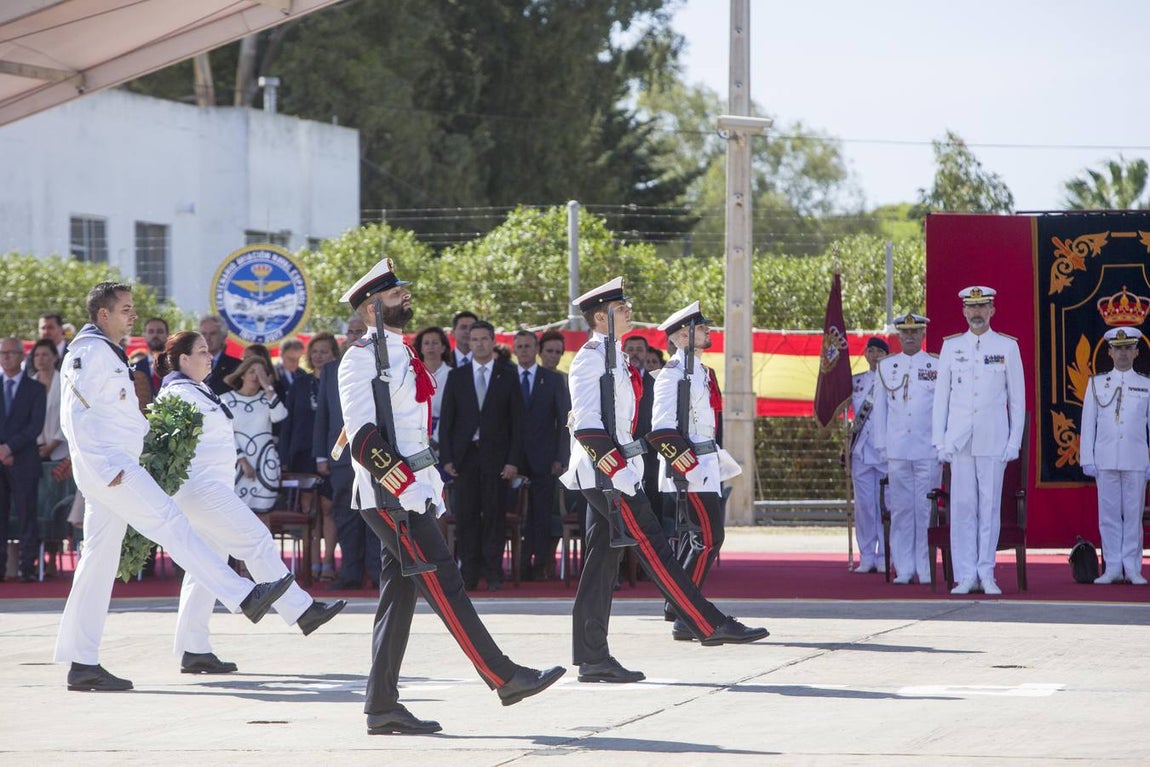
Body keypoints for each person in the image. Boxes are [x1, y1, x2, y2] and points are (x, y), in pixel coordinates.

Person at [337, 258, 564, 734]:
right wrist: (402, 486)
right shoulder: (359, 358)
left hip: (408, 490)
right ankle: (504, 676)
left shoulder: (399, 351)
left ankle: (381, 705)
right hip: (390, 495)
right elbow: (361, 437)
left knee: (398, 599)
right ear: (372, 307)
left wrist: (425, 484)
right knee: (446, 583)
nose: (406, 296)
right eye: (395, 293)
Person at [54, 281, 295, 692]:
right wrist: (101, 467)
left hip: (115, 464)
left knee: (98, 561)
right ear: (103, 315)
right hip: (111, 467)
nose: (133, 314)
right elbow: (75, 416)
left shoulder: (106, 352)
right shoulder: (88, 353)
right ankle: (242, 594)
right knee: (171, 524)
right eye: (125, 309)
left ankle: (82, 662)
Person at [560, 277, 768, 685]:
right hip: (606, 474)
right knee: (654, 546)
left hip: (612, 472)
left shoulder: (614, 357)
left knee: (601, 563)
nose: (629, 311)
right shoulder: (590, 359)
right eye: (620, 308)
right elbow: (585, 425)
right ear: (600, 318)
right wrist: (619, 472)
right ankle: (707, 623)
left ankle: (593, 657)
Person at [156, 331, 346, 672]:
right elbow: (166, 444)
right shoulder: (178, 393)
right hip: (200, 488)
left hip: (213, 487)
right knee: (256, 539)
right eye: (202, 351)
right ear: (184, 359)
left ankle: (193, 648)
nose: (210, 356)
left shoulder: (197, 390)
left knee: (205, 570)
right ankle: (302, 610)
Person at [647, 302, 742, 640]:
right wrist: (689, 469)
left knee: (700, 540)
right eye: (701, 328)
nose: (708, 331)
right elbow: (661, 430)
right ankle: (687, 615)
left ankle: (679, 609)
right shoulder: (672, 374)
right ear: (683, 336)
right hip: (691, 471)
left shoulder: (700, 371)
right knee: (708, 539)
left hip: (706, 467)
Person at [931, 285, 1025, 596]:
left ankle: (987, 572)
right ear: (963, 311)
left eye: (982, 306)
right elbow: (941, 399)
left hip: (993, 438)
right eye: (971, 307)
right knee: (962, 508)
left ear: (992, 310)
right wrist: (940, 441)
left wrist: (1013, 442)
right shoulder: (952, 347)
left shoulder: (1007, 346)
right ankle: (965, 575)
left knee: (989, 507)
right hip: (959, 440)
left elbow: (1017, 400)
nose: (976, 312)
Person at [439, 320, 524, 591]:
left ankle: (494, 572)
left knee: (494, 515)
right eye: (474, 339)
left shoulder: (507, 374)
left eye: (484, 339)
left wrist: (512, 461)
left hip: (497, 458)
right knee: (466, 516)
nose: (479, 344)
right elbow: (447, 421)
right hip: (465, 458)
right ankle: (469, 573)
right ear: (467, 343)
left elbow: (517, 423)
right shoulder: (457, 376)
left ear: (493, 341)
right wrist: (447, 458)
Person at [872, 313, 940, 584]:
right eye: (905, 332)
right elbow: (880, 410)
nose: (910, 337)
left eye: (915, 332)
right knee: (901, 510)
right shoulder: (887, 366)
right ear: (899, 336)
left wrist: (941, 444)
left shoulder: (936, 364)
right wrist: (881, 446)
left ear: (923, 335)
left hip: (928, 448)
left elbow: (942, 408)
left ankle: (925, 566)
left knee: (925, 510)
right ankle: (904, 567)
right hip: (898, 448)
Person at [1079, 327, 1149, 585]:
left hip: (1135, 458)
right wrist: (1087, 458)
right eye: (1118, 349)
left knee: (1132, 515)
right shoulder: (1096, 383)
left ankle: (1132, 567)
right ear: (1109, 352)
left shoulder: (1146, 384)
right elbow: (1088, 424)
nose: (1123, 353)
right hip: (1105, 457)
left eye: (1128, 348)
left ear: (1136, 352)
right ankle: (1112, 568)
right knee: (1108, 516)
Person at [314, 316, 379, 590]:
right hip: (341, 456)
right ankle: (350, 572)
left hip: (375, 453)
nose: (354, 336)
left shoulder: (380, 364)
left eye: (359, 331)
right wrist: (321, 455)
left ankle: (377, 572)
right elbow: (323, 414)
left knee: (375, 513)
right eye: (351, 332)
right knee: (345, 514)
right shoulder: (331, 369)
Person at [512, 330, 570, 580]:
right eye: (520, 346)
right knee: (516, 514)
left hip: (544, 457)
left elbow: (564, 421)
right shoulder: (506, 376)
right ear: (514, 349)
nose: (524, 350)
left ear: (536, 349)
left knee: (541, 514)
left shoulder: (553, 380)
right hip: (511, 458)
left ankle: (540, 565)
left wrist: (561, 458)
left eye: (529, 346)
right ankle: (519, 564)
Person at [282, 333, 340, 580]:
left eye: (324, 351)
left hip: (331, 453)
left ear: (334, 354)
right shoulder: (300, 383)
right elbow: (288, 422)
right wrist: (284, 458)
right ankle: (312, 563)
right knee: (309, 510)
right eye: (314, 351)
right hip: (303, 454)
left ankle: (328, 563)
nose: (318, 356)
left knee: (328, 508)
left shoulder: (339, 381)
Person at [0, 337, 47, 583]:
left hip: (24, 461)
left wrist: (9, 448)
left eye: (10, 353)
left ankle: (27, 567)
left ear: (21, 356)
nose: (6, 357)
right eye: (2, 353)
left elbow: (35, 426)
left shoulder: (35, 389)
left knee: (27, 516)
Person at [221, 356, 288, 517]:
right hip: (236, 466)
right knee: (236, 517)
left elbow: (280, 415)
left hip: (265, 465)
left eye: (261, 373)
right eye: (252, 372)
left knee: (263, 516)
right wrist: (243, 461)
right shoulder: (225, 400)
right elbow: (225, 434)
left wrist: (268, 387)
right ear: (242, 374)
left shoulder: (267, 399)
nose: (256, 376)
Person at [849, 336, 889, 573]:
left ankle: (885, 555)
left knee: (886, 505)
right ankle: (866, 555)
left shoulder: (894, 380)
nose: (875, 355)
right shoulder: (856, 382)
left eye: (879, 352)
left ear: (887, 355)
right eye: (871, 351)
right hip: (861, 450)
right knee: (864, 506)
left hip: (884, 451)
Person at [412, 325, 454, 447]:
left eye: (435, 343)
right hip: (415, 433)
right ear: (421, 348)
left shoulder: (452, 375)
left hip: (446, 434)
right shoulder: (411, 374)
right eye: (426, 343)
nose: (430, 346)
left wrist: (436, 438)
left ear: (443, 348)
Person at [200, 315, 241, 395]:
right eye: (204, 334)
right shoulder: (190, 363)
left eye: (212, 334)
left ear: (223, 337)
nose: (207, 338)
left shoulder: (236, 366)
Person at [135, 317, 170, 395]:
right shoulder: (135, 368)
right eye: (151, 331)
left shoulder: (177, 367)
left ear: (167, 335)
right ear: (145, 335)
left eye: (160, 331)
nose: (155, 335)